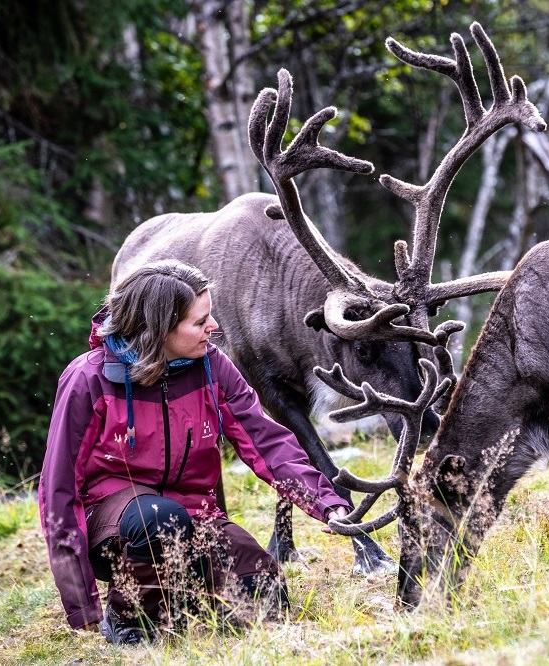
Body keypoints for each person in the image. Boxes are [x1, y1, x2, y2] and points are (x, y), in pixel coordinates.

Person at [37, 259, 353, 644]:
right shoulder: (88, 378)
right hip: (115, 525)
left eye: (210, 315)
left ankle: (179, 597)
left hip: (195, 515)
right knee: (160, 519)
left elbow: (266, 442)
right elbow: (58, 490)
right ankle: (130, 620)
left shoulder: (213, 367)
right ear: (158, 329)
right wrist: (80, 602)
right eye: (199, 321)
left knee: (265, 594)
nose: (214, 327)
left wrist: (326, 502)